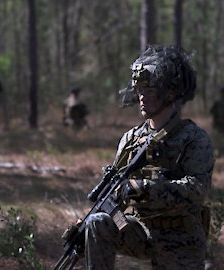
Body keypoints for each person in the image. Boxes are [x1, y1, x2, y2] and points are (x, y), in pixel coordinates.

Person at [84, 45, 214, 269]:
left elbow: (196, 191)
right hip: (140, 230)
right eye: (139, 89)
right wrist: (91, 226)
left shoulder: (193, 138)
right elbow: (116, 195)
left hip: (180, 238)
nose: (141, 96)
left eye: (150, 90)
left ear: (170, 93)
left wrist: (143, 190)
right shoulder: (130, 140)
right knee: (96, 223)